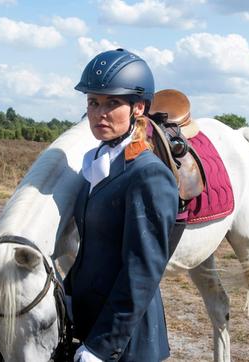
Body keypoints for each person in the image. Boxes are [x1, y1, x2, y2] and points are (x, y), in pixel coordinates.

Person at [64, 48, 179, 362]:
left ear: (138, 107)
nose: (100, 113)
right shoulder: (96, 164)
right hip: (90, 324)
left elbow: (142, 271)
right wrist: (67, 294)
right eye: (93, 102)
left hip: (127, 344)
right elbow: (92, 248)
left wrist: (102, 346)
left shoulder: (148, 176)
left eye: (112, 103)